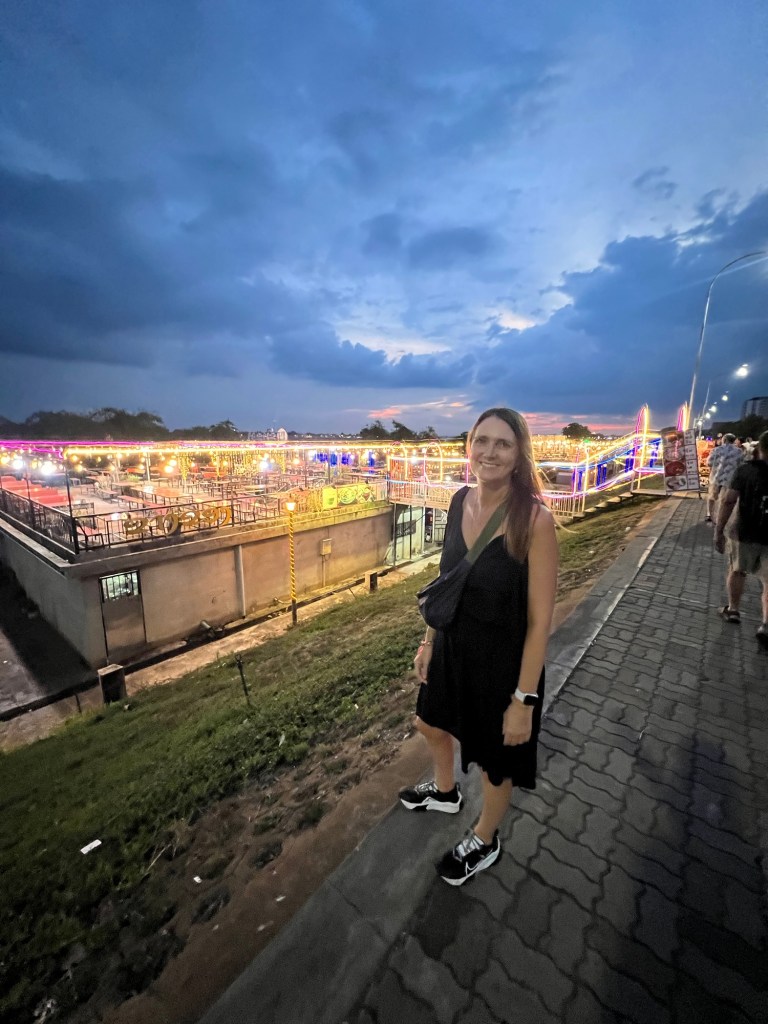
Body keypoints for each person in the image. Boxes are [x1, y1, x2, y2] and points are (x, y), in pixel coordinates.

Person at [399, 408, 558, 885]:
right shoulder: (458, 500)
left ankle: (486, 839)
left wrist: (523, 701)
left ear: (519, 454)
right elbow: (447, 579)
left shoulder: (534, 520)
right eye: (481, 441)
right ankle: (446, 791)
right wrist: (429, 640)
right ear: (469, 447)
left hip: (502, 663)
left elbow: (539, 622)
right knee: (428, 721)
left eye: (502, 443)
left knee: (495, 762)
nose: (489, 452)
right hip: (452, 645)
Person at [714, 430, 768, 648]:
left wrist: (719, 530)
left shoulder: (746, 471)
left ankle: (733, 609)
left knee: (737, 571)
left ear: (759, 449)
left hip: (744, 532)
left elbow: (728, 501)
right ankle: (765, 624)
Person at [706, 433, 743, 524]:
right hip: (730, 480)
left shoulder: (716, 450)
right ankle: (720, 518)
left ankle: (710, 515)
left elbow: (709, 463)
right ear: (733, 441)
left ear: (724, 440)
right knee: (724, 500)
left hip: (716, 478)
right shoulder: (739, 451)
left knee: (712, 497)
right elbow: (742, 465)